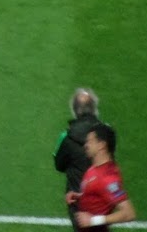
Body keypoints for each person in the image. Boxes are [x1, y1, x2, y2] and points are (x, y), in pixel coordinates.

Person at [65, 122, 137, 229]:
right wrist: (81, 196)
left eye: (90, 141)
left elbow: (129, 213)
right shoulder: (95, 167)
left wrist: (93, 220)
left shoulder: (108, 178)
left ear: (101, 145)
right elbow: (99, 192)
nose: (86, 145)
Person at [54, 88, 104, 225]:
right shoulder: (107, 133)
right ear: (94, 108)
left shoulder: (66, 137)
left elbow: (59, 165)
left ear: (75, 110)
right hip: (102, 196)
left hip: (78, 198)